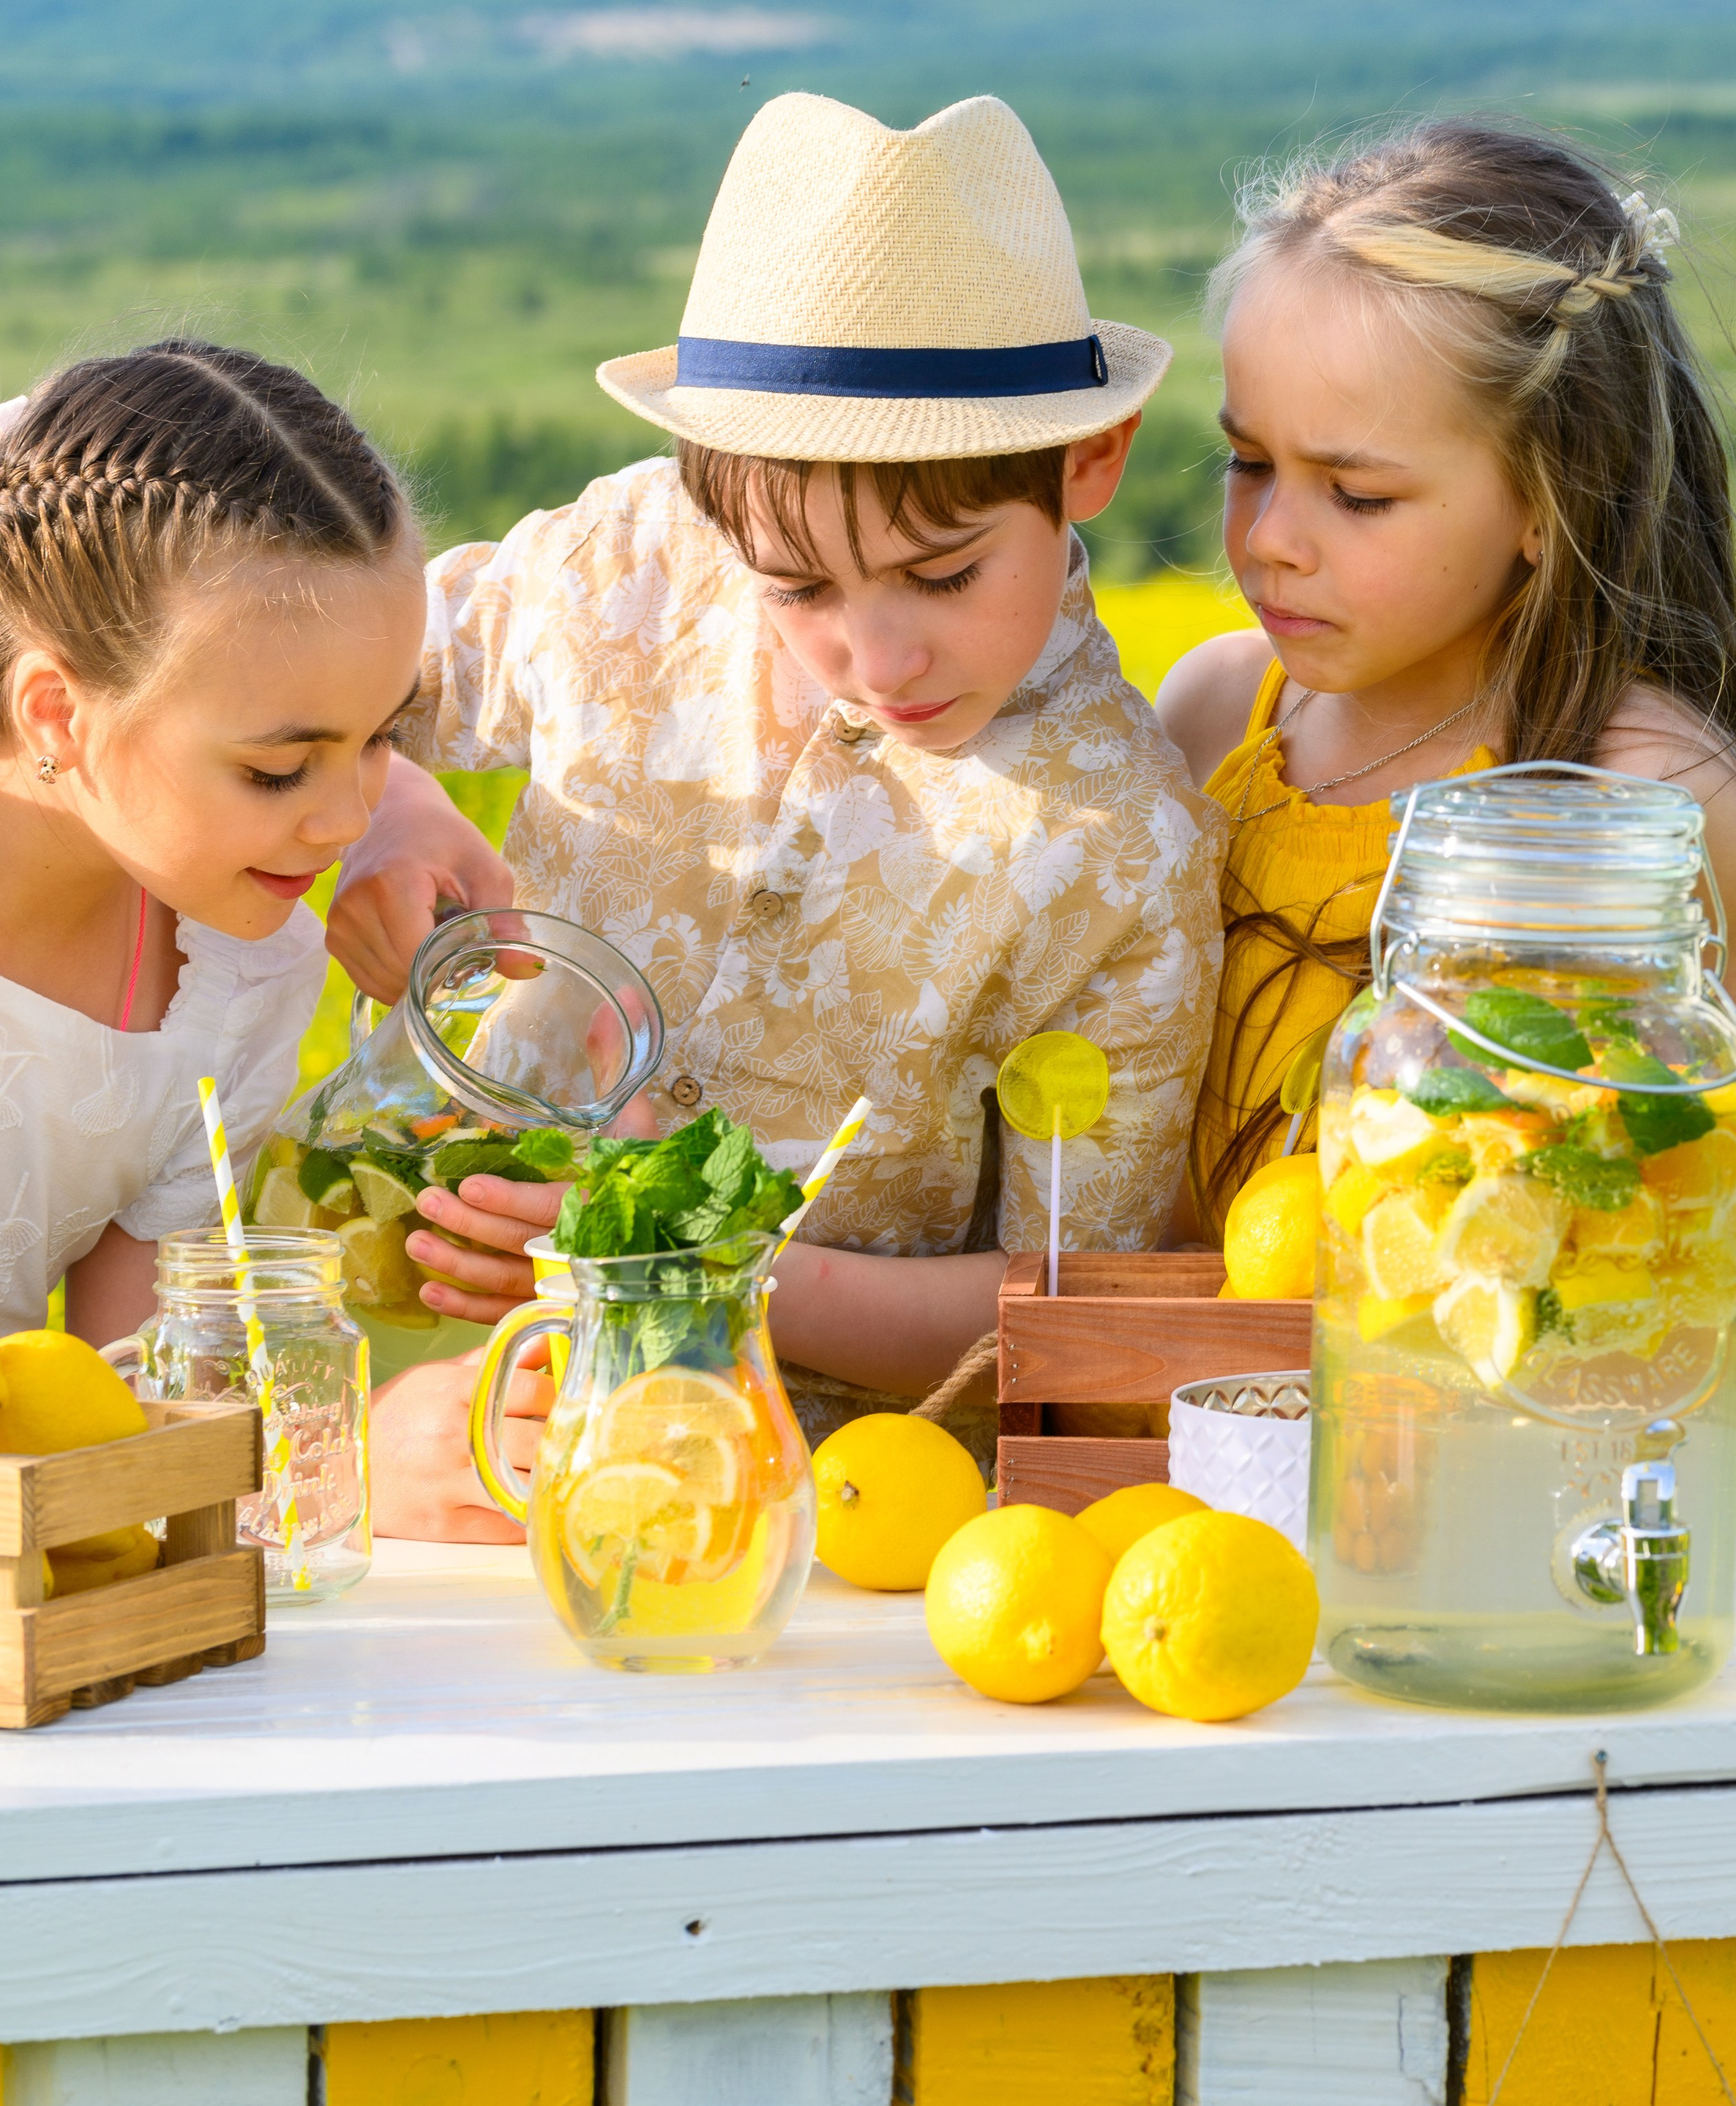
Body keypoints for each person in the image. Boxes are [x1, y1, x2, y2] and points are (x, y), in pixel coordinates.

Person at [329, 89, 1226, 1533]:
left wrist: (684, 1268)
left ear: (1090, 463)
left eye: (942, 577)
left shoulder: (1115, 856)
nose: (876, 661)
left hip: (804, 1522)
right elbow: (316, 683)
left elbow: (1061, 1313)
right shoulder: (617, 566)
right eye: (795, 587)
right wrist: (389, 802)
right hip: (434, 1441)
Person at [1154, 119, 1736, 1250]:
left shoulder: (1644, 796)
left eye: (1356, 496)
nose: (1271, 539)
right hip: (1152, 1406)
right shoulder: (1216, 714)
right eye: (1249, 464)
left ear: (1545, 500)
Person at [0, 342, 425, 1341]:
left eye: (384, 735)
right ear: (56, 714)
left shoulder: (237, 979)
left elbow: (133, 1413)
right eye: (275, 771)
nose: (347, 824)